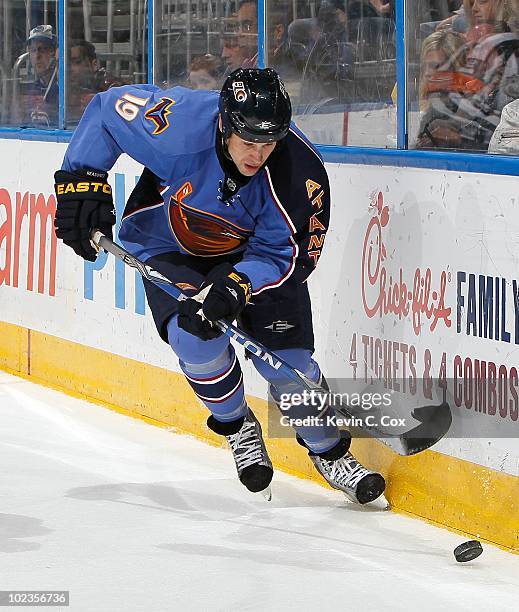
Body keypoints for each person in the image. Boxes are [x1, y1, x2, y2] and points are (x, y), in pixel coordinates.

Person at [53, 68, 385, 504]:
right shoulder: (179, 125)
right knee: (194, 340)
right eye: (248, 141)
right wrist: (84, 178)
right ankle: (237, 424)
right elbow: (106, 111)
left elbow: (290, 255)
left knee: (289, 363)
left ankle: (329, 451)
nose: (258, 154)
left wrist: (237, 285)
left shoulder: (300, 176)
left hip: (257, 259)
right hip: (167, 244)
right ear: (225, 125)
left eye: (269, 143)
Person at [66, 39, 127, 125]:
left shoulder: (112, 86)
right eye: (62, 63)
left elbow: (129, 116)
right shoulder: (59, 86)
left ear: (94, 64)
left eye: (76, 62)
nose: (68, 69)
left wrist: (103, 104)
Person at [15, 25, 58, 127]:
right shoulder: (34, 87)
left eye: (42, 50)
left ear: (54, 52)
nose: (37, 56)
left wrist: (51, 110)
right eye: (33, 50)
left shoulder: (65, 85)